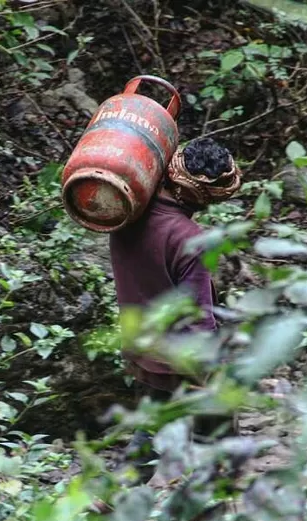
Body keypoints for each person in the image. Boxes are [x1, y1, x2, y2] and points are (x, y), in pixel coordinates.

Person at [108, 136, 242, 467]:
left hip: (141, 346)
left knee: (156, 428)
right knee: (217, 442)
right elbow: (199, 314)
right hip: (179, 359)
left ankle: (114, 500)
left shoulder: (128, 212)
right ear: (204, 195)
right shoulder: (189, 238)